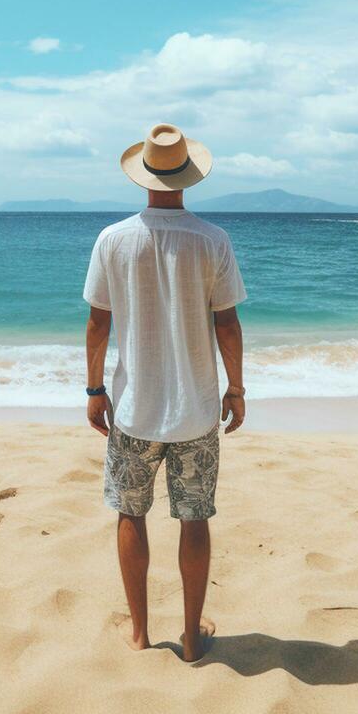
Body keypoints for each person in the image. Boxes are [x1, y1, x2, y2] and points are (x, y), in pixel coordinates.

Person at [82, 122, 247, 663]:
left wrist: (94, 389)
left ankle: (139, 634)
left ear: (143, 176)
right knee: (193, 518)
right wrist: (237, 389)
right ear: (187, 177)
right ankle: (194, 639)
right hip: (196, 409)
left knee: (131, 515)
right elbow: (227, 325)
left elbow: (97, 324)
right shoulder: (212, 240)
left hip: (133, 408)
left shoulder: (113, 239)